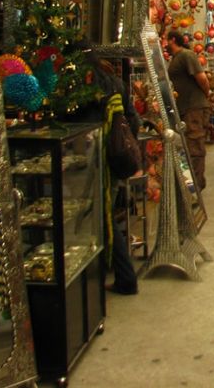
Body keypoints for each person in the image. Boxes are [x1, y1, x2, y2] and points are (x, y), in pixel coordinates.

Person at [70, 44, 141, 295]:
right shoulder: (116, 84)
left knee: (100, 217)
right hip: (114, 158)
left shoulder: (79, 92)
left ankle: (123, 277)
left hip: (88, 162)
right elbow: (133, 120)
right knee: (104, 214)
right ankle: (113, 274)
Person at [166, 31, 211, 192]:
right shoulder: (176, 58)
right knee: (189, 145)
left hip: (194, 107)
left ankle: (197, 184)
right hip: (185, 107)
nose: (164, 43)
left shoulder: (187, 55)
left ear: (172, 40)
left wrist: (206, 95)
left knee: (195, 144)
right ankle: (192, 182)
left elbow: (202, 78)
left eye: (166, 39)